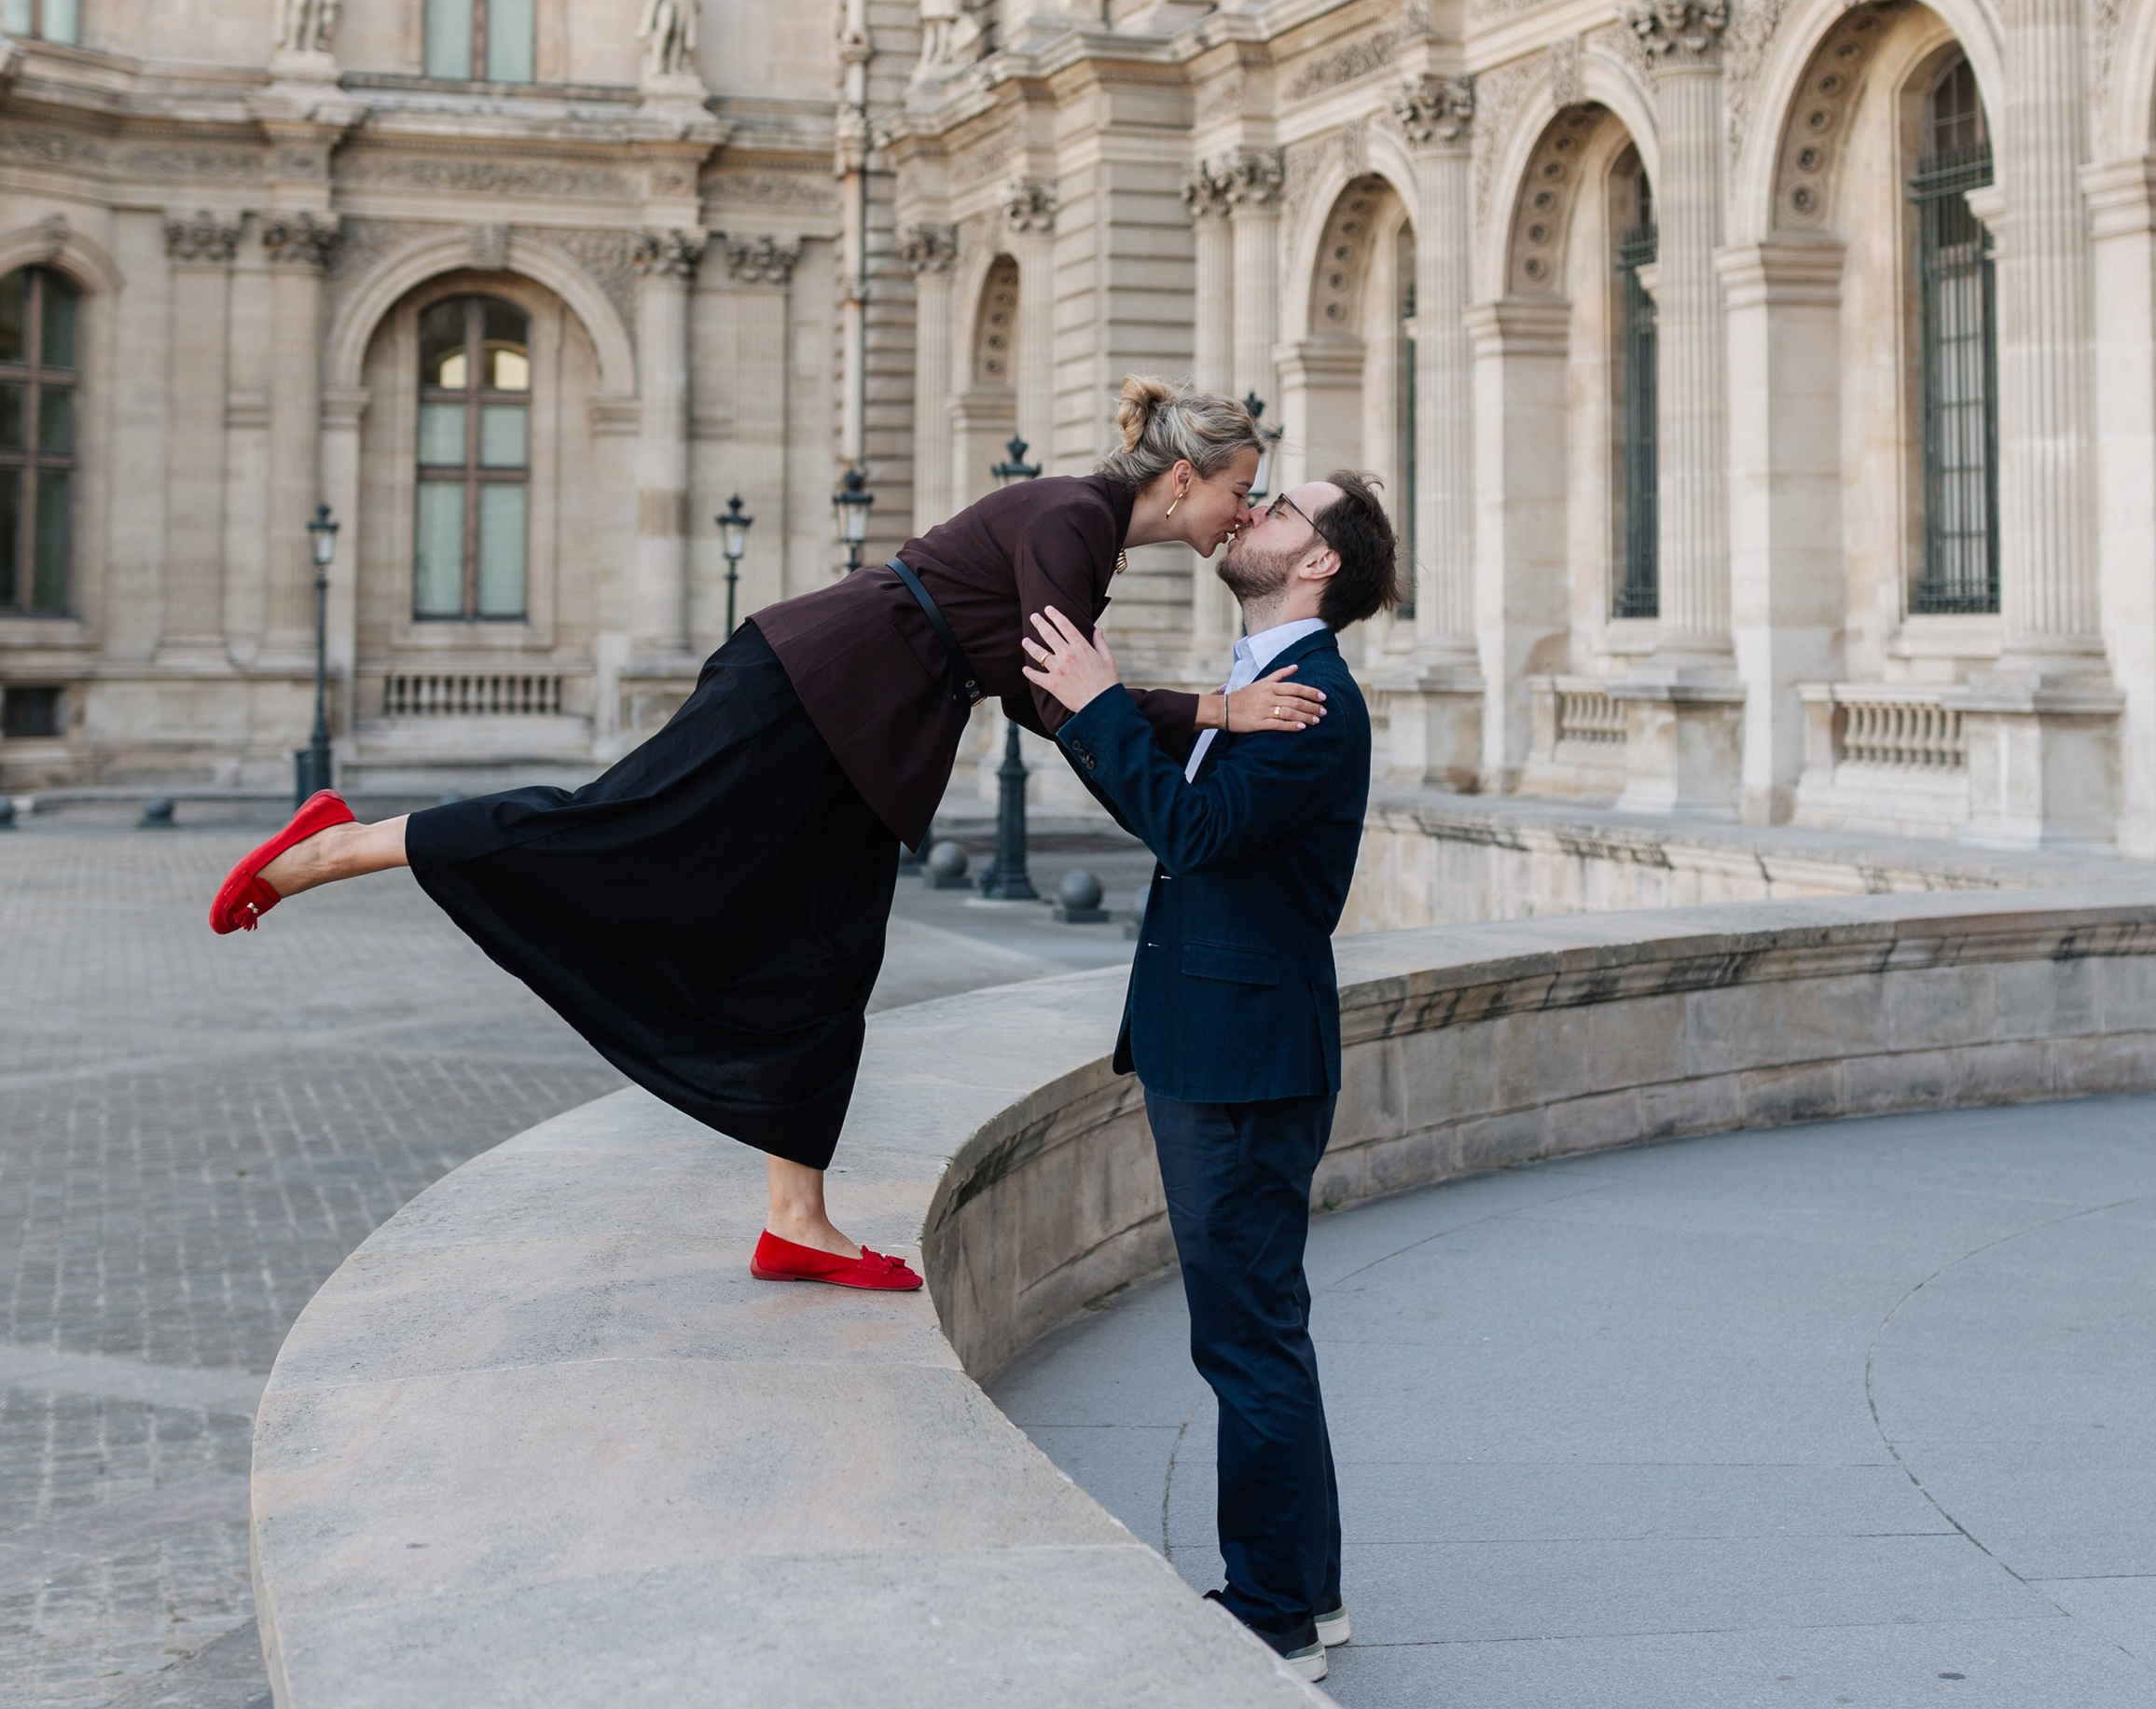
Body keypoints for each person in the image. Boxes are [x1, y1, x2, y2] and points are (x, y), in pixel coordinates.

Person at [205, 381, 1325, 1293]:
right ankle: (337, 844)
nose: (1243, 510)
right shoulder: (1075, 517)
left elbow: (1049, 693)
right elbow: (1064, 684)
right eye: (1240, 488)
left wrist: (1196, 715)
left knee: (828, 955)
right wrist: (1212, 718)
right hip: (805, 688)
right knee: (617, 832)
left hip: (869, 733)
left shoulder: (1089, 537)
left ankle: (798, 1220)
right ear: (1185, 476)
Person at [1021, 467, 1402, 1682]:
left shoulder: (1310, 702)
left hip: (1242, 1060)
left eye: (1282, 505)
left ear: (1317, 562)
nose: (1252, 510)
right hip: (1223, 1041)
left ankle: (1276, 1611)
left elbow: (1187, 835)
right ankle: (1311, 1589)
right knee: (1259, 1329)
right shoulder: (1256, 687)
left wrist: (1092, 706)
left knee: (1246, 1338)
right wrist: (1107, 711)